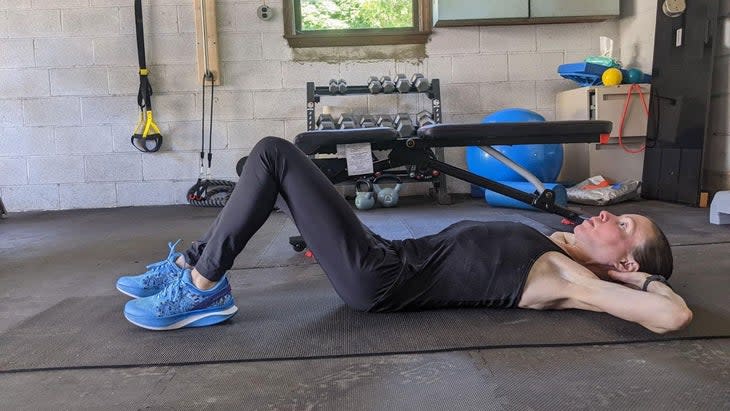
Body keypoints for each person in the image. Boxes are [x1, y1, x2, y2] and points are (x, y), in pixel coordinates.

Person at [117, 137, 693, 333]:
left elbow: (673, 318)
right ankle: (192, 265)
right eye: (618, 213)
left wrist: (644, 280)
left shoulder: (567, 277)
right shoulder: (557, 242)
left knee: (273, 154)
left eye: (623, 226)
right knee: (259, 166)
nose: (609, 215)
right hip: (383, 255)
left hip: (379, 278)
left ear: (621, 265)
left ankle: (201, 285)